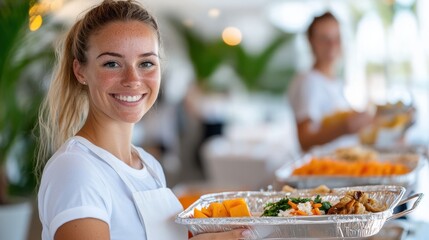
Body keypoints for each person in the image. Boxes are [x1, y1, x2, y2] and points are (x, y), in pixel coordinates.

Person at [36, 1, 251, 239]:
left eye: (146, 63)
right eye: (112, 63)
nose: (133, 79)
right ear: (80, 71)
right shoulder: (76, 169)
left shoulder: (149, 165)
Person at [287, 11, 373, 152]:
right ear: (311, 41)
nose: (332, 45)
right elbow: (305, 139)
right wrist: (344, 127)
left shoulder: (336, 82)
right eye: (324, 39)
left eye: (337, 38)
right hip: (324, 170)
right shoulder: (308, 82)